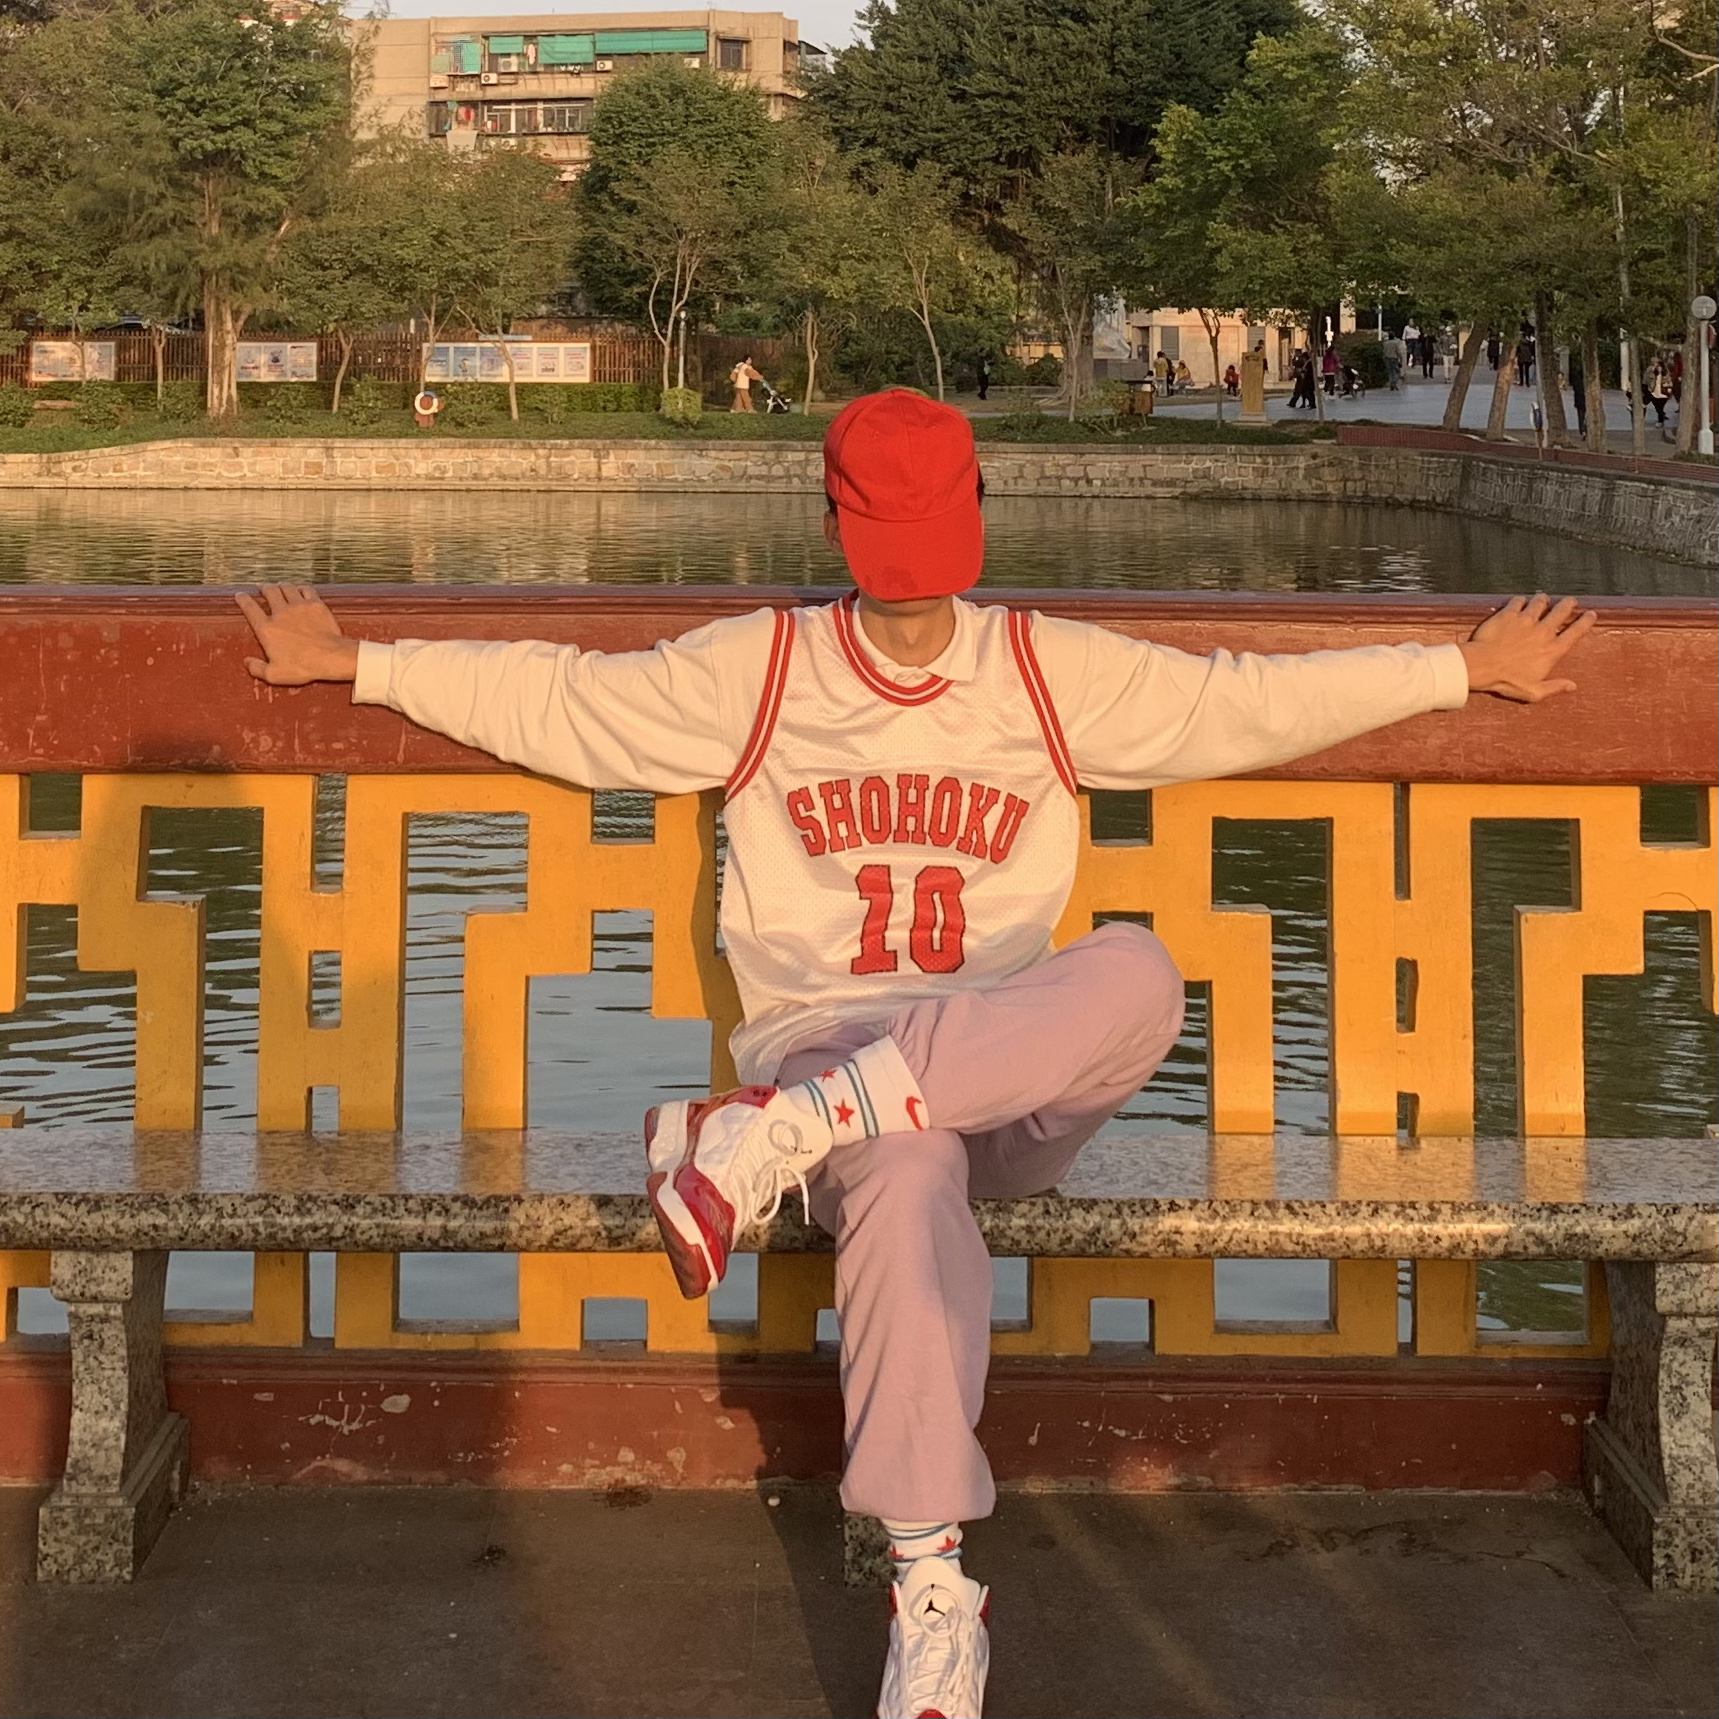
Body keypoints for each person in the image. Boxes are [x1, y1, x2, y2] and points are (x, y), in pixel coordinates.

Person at [234, 389, 1595, 1719]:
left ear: (840, 522)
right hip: (841, 1060)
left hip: (1001, 1072)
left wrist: (1457, 670)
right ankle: (930, 1588)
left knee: (1135, 971)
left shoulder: (1041, 669)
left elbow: (1238, 703)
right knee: (901, 1156)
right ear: (947, 516)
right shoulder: (766, 668)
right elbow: (571, 702)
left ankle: (777, 1131)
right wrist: (361, 664)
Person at [1649, 357, 1673, 426]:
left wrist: (1667, 385)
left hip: (1663, 394)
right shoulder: (1654, 374)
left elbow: (1670, 384)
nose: (1659, 368)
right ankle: (1661, 417)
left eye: (1660, 367)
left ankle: (1660, 421)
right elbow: (1649, 379)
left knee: (1660, 408)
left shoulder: (1666, 375)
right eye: (1657, 367)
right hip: (1655, 393)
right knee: (1657, 408)